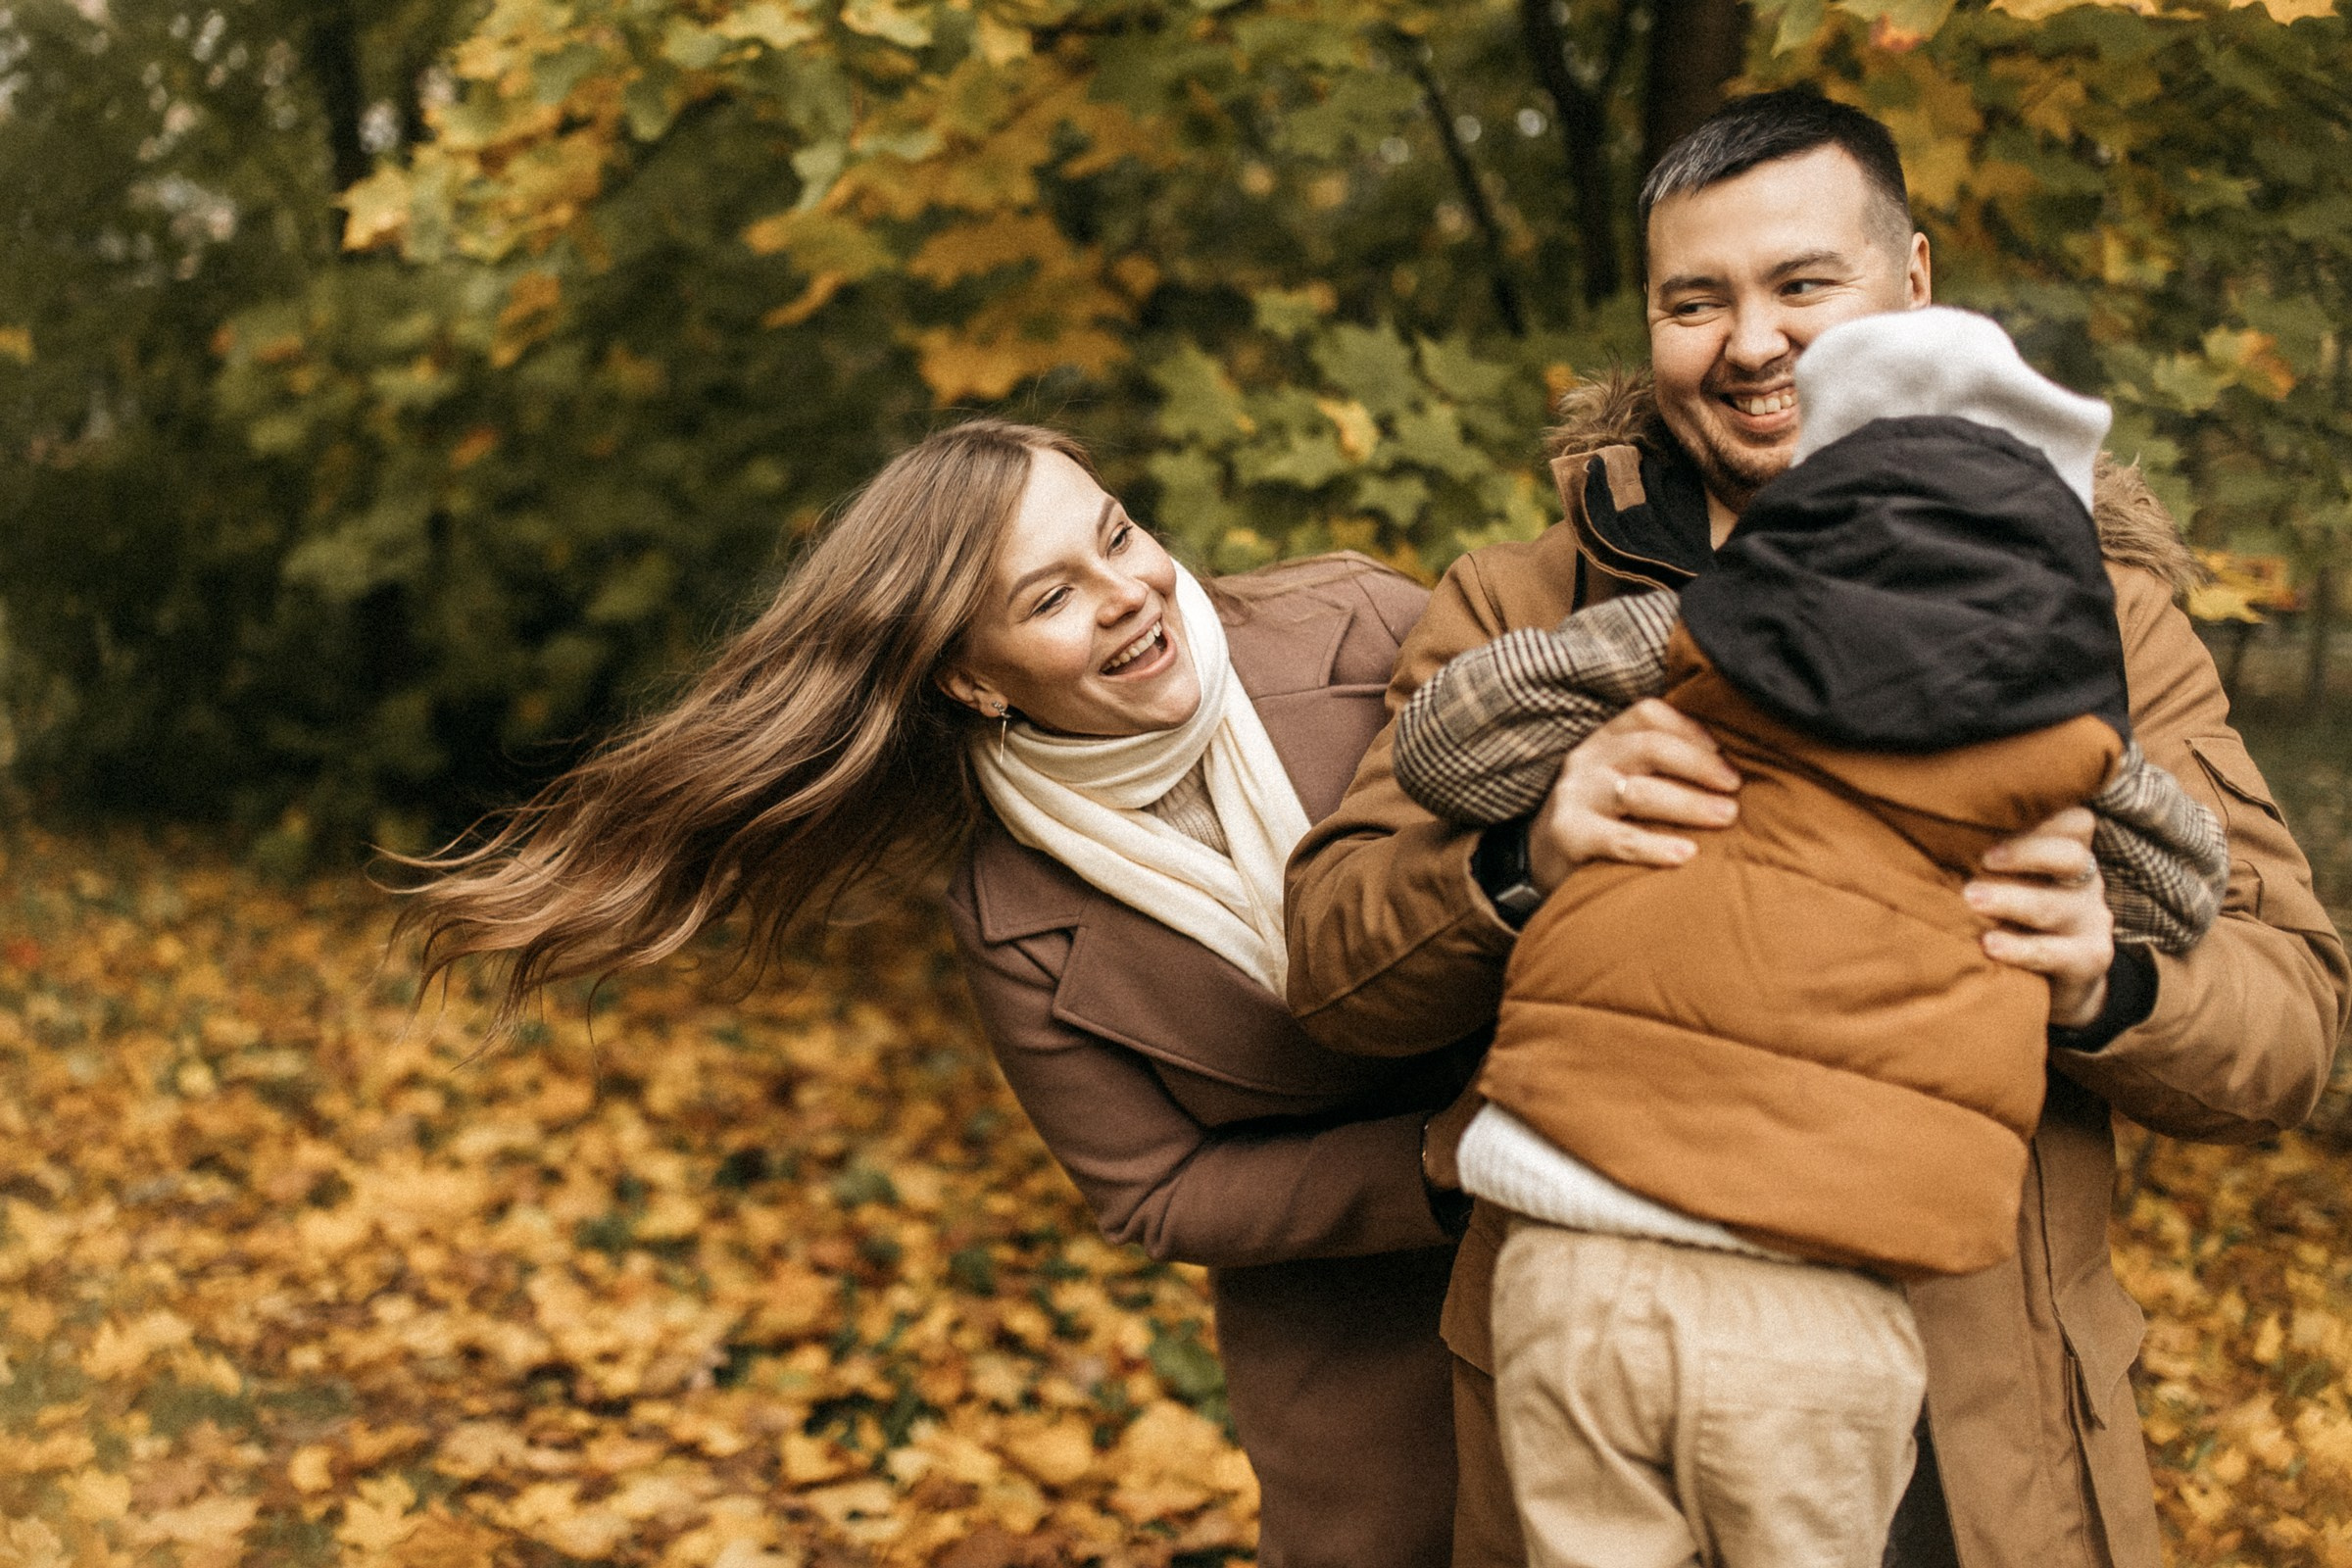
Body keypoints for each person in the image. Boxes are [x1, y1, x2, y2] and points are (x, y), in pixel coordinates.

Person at [1283, 90, 2351, 1568]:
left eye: (1802, 285)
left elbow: (2293, 1027)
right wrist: (1523, 858)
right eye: (1694, 300)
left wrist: (2112, 978)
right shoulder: (1526, 609)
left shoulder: (2096, 625)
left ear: (1911, 287)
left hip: (1976, 1430)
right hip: (1592, 1381)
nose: (1750, 342)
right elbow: (1333, 973)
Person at [397, 418, 1474, 1568]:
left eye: (1119, 535)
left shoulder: (1360, 623)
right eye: (1051, 597)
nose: (1128, 592)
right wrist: (1442, 1162)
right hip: (1356, 1338)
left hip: (1608, 1199)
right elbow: (1156, 1190)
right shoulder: (1004, 902)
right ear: (971, 677)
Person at [1385, 307, 2228, 1567]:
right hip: (1816, 1302)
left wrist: (1569, 767)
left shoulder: (1689, 637)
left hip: (1566, 1265)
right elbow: (2185, 887)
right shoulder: (2060, 743)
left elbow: (1443, 744)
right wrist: (2085, 880)